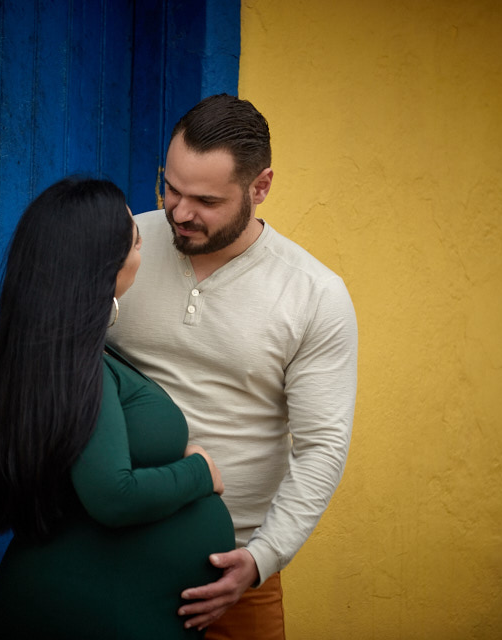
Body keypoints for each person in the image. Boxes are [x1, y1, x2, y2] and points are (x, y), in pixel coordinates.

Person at [106, 94, 358, 639]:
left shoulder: (314, 294)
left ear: (260, 187)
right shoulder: (119, 246)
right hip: (105, 546)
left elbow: (321, 446)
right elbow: (43, 346)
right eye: (169, 187)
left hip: (230, 567)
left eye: (205, 199)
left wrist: (263, 558)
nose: (179, 212)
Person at [0, 177, 235, 639]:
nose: (143, 251)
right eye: (136, 242)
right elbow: (114, 496)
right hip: (96, 613)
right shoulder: (78, 364)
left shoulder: (42, 354)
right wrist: (200, 469)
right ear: (103, 264)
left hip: (102, 604)